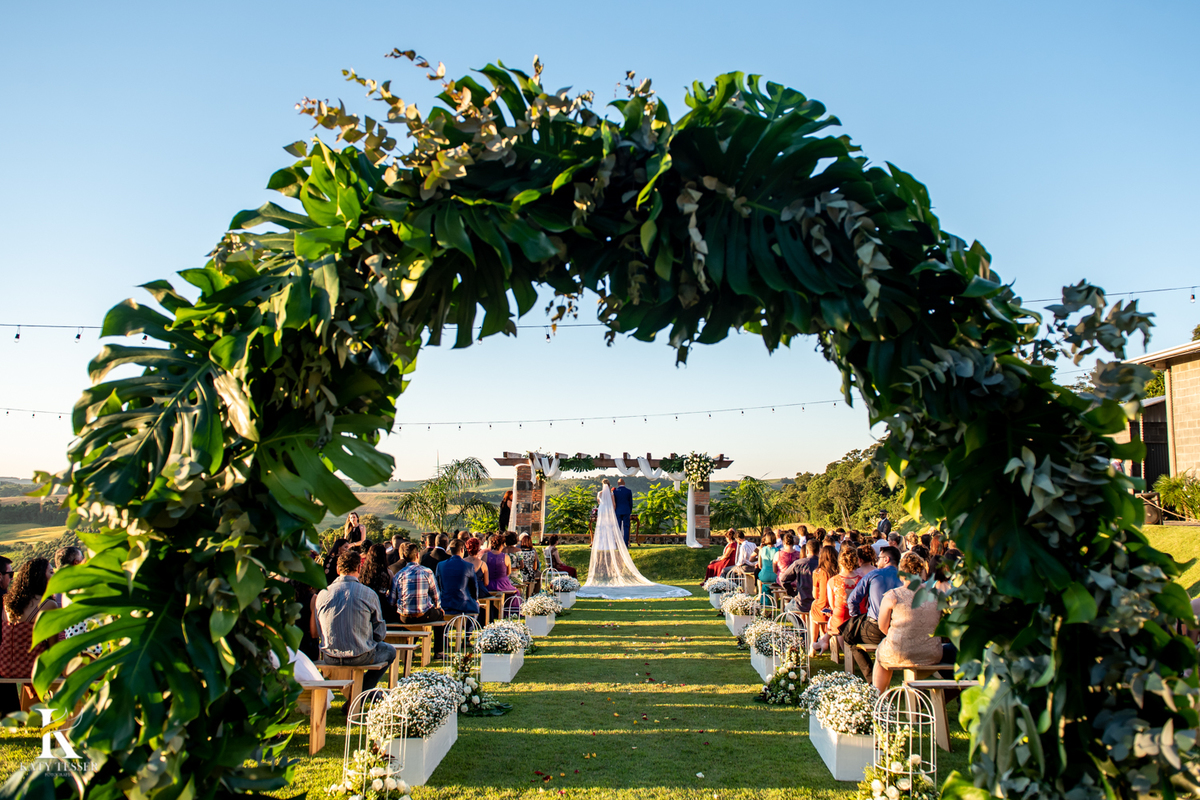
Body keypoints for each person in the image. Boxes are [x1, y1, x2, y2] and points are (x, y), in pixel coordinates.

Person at [578, 478, 689, 599]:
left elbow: (600, 502)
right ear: (622, 483)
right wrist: (623, 510)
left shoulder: (604, 493)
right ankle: (624, 543)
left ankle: (603, 543)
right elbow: (624, 503)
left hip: (606, 511)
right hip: (622, 511)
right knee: (625, 528)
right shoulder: (617, 492)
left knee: (602, 528)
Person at [314, 549, 396, 696]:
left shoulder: (322, 594)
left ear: (338, 569)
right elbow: (380, 633)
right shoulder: (368, 593)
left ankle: (360, 694)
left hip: (329, 655)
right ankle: (361, 693)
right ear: (359, 568)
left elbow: (320, 628)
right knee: (390, 651)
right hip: (360, 654)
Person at [873, 552, 954, 692]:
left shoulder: (893, 595)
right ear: (922, 572)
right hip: (931, 652)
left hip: (900, 651)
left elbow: (882, 626)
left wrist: (898, 635)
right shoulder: (937, 595)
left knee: (881, 653)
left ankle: (878, 695)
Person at [0, 558, 63, 713]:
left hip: (6, 666)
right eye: (50, 571)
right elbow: (55, 647)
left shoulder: (7, 603)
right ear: (41, 576)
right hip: (33, 667)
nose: (53, 575)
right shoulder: (48, 605)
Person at [845, 546, 903, 678]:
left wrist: (857, 617)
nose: (876, 562)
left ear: (886, 559)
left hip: (875, 629)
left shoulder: (874, 574)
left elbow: (852, 600)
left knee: (849, 635)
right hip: (900, 628)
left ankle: (871, 676)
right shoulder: (905, 578)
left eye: (879, 558)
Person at [391, 543, 444, 625]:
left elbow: (392, 600)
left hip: (404, 617)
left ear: (404, 557)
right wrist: (438, 607)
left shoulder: (399, 574)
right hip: (422, 615)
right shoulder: (427, 572)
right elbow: (436, 596)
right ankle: (439, 638)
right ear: (417, 555)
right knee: (440, 615)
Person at [826, 547, 862, 655]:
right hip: (859, 618)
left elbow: (832, 606)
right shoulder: (862, 580)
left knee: (835, 618)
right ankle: (853, 653)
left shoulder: (833, 581)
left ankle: (847, 653)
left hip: (841, 618)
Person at [435, 539, 480, 618]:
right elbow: (474, 587)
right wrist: (475, 599)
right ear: (462, 550)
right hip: (463, 604)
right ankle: (469, 630)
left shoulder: (440, 565)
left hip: (445, 603)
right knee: (476, 607)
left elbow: (437, 585)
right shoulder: (468, 566)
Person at [361, 544, 399, 623]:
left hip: (365, 605)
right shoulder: (387, 573)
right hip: (382, 607)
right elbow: (393, 592)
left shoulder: (363, 573)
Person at [810, 546, 838, 652]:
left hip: (823, 607)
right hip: (836, 607)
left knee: (813, 607)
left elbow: (814, 594)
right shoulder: (839, 571)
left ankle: (813, 643)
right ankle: (823, 638)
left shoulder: (818, 572)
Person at [780, 541, 818, 606]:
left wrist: (792, 594)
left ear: (807, 551)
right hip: (817, 603)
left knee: (787, 610)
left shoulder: (798, 563)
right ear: (819, 551)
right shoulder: (823, 564)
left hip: (801, 602)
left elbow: (783, 579)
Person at [756, 531, 779, 601]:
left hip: (764, 575)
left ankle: (761, 595)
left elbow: (760, 566)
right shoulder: (778, 551)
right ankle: (774, 599)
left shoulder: (761, 550)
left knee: (759, 577)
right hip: (775, 575)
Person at [612, 479, 634, 547]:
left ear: (618, 483)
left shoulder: (615, 491)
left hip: (618, 511)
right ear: (624, 483)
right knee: (626, 527)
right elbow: (630, 502)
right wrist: (630, 510)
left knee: (618, 527)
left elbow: (614, 502)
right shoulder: (628, 491)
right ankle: (625, 543)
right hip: (626, 511)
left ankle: (618, 543)